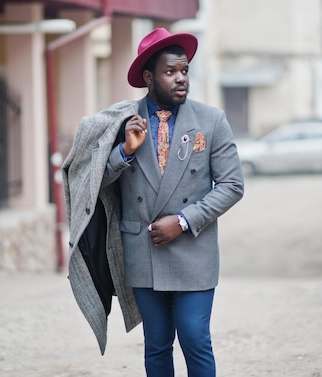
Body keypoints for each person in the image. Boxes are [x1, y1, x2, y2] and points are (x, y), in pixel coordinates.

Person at [62, 27, 244, 377]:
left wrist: (184, 221)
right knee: (157, 344)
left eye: (185, 71)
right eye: (170, 72)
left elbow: (233, 185)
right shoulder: (119, 124)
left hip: (194, 249)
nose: (181, 79)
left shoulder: (211, 120)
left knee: (195, 337)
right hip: (142, 252)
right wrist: (123, 152)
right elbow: (91, 184)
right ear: (148, 77)